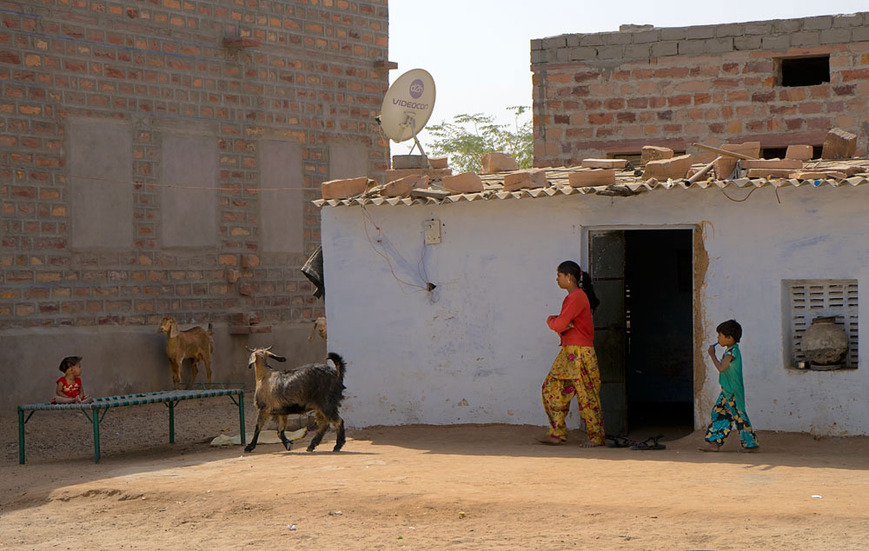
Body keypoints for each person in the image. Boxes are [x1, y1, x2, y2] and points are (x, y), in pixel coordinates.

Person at [537, 260, 605, 448]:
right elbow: (563, 325)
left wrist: (551, 320)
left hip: (579, 352)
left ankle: (595, 437)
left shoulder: (576, 297)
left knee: (586, 394)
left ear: (569, 277)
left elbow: (559, 325)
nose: (557, 279)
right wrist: (561, 323)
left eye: (559, 275)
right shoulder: (575, 297)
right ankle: (557, 432)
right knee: (552, 389)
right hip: (572, 351)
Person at [699, 320, 759, 452]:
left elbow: (721, 368)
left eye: (720, 335)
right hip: (727, 390)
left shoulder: (731, 352)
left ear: (729, 338)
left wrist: (712, 355)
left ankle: (750, 443)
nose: (718, 338)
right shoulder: (730, 351)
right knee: (720, 413)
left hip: (732, 391)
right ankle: (715, 443)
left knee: (738, 416)